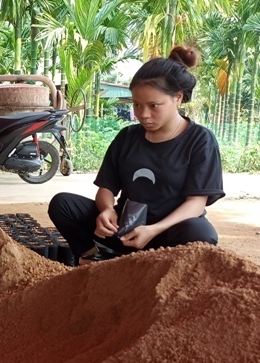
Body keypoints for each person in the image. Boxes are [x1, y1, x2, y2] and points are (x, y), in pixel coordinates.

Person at [48, 46, 225, 265]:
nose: (143, 114)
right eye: (137, 105)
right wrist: (107, 211)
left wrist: (153, 230)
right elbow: (106, 189)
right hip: (124, 231)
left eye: (154, 105)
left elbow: (197, 203)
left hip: (167, 235)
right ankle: (92, 259)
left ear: (178, 98)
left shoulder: (200, 140)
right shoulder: (128, 137)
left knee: (201, 232)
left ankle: (161, 267)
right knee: (63, 204)